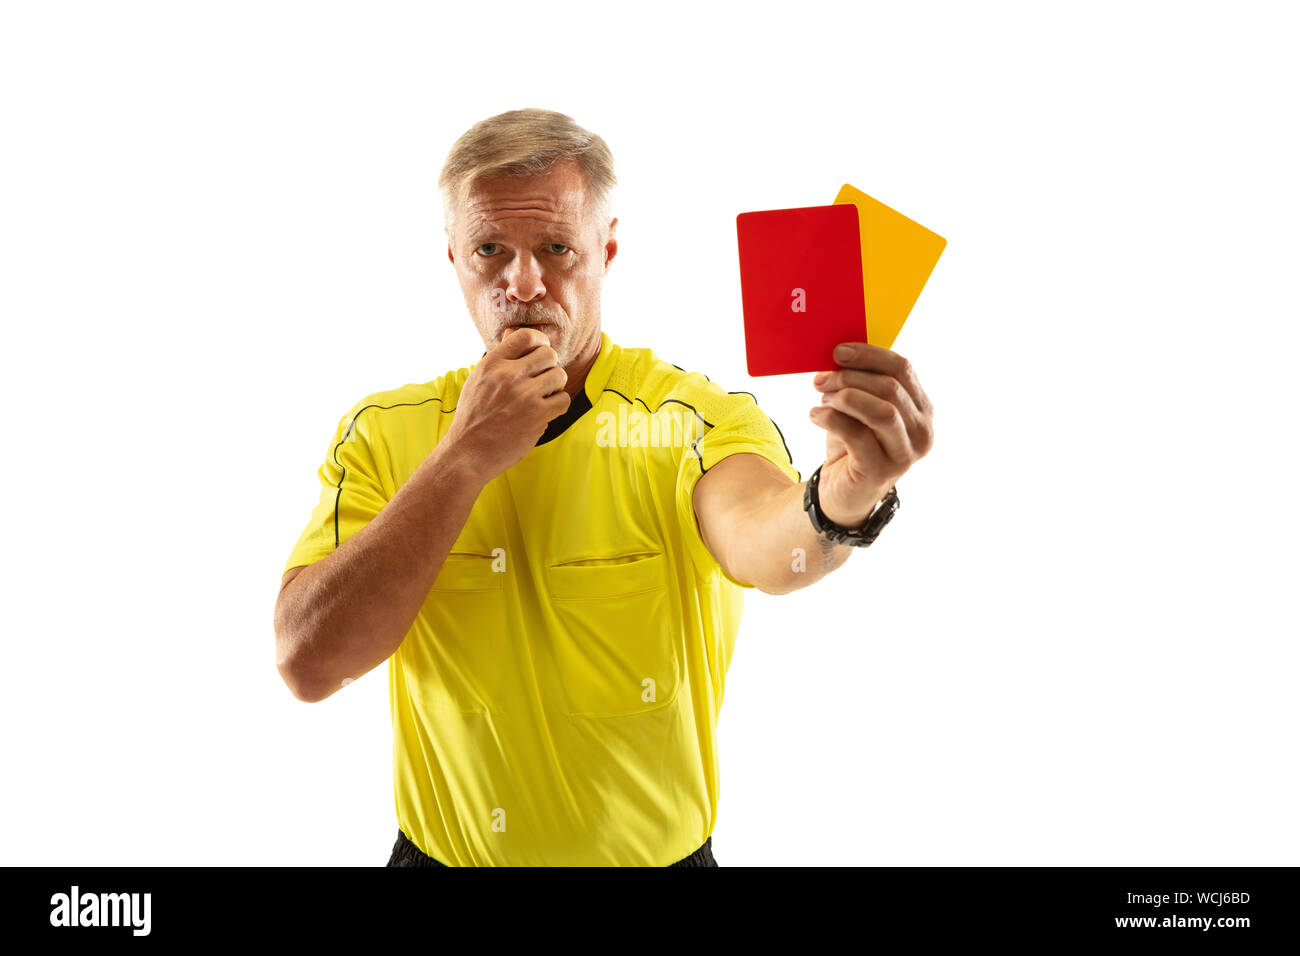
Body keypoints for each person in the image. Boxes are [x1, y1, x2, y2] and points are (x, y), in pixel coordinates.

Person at [273, 108, 935, 866]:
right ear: (453, 257)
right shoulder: (384, 433)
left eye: (557, 248)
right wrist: (462, 457)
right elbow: (308, 663)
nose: (524, 283)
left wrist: (846, 492)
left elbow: (765, 541)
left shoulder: (687, 419)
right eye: (491, 249)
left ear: (606, 250)